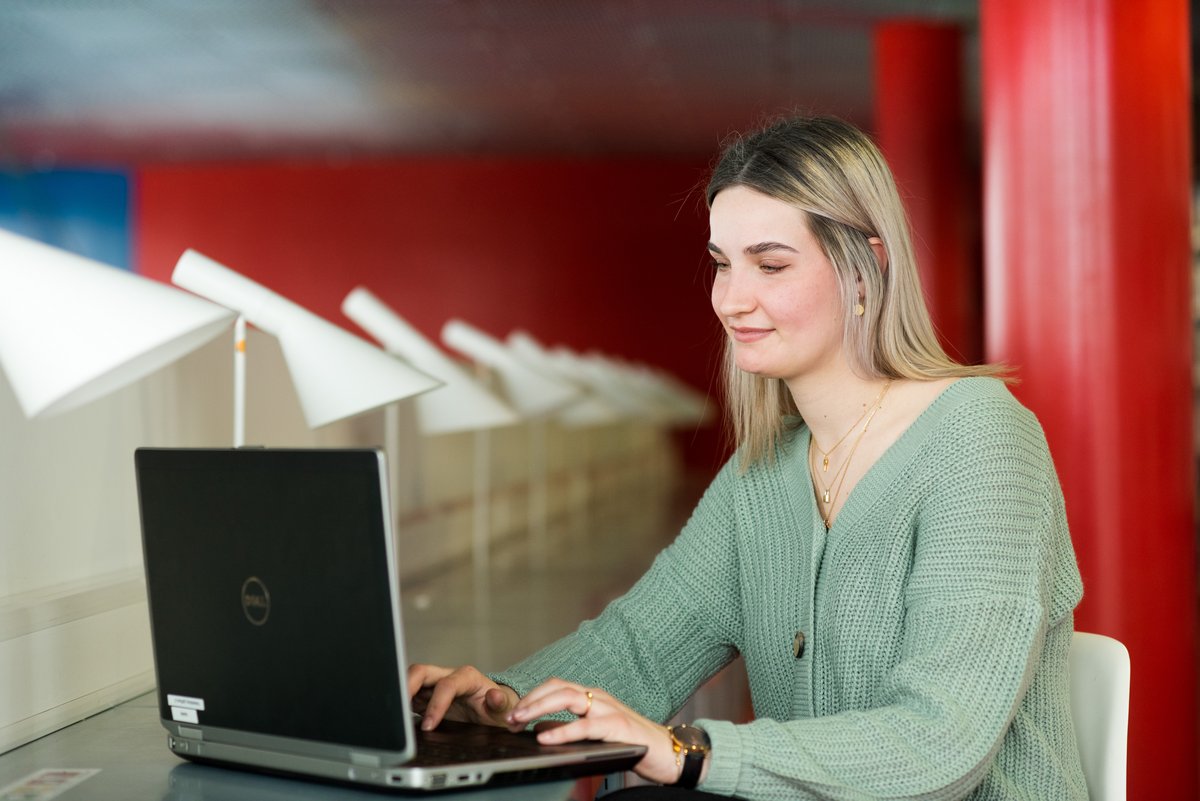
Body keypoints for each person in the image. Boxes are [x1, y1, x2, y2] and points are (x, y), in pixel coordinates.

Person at [408, 115, 1087, 800]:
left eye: (770, 264)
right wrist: (502, 698)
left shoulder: (982, 437)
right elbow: (636, 649)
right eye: (722, 264)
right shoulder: (762, 476)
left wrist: (688, 751)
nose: (732, 299)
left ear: (867, 269)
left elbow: (942, 739)